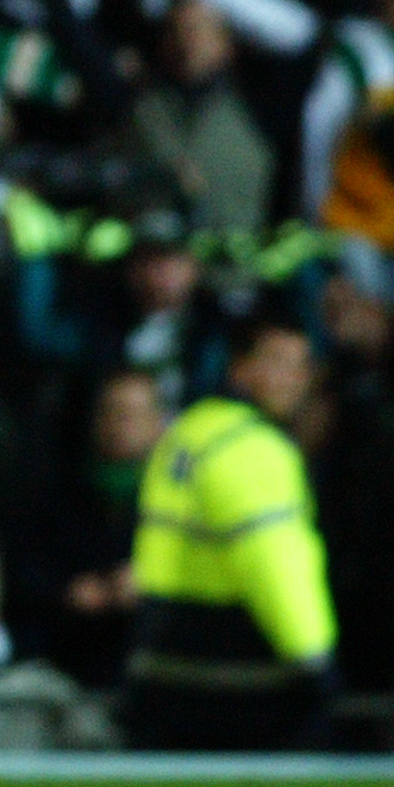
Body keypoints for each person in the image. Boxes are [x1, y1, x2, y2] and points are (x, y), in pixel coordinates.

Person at [126, 317, 337, 750]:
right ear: (239, 369)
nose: (292, 379)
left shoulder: (189, 430)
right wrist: (313, 657)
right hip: (237, 669)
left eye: (300, 366)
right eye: (276, 361)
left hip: (161, 650)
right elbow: (274, 563)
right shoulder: (257, 449)